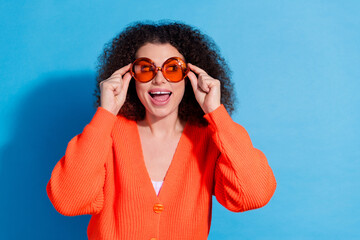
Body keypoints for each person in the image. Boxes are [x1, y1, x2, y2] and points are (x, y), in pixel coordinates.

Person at [46, 20, 277, 240]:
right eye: (146, 69)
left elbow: (253, 194)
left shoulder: (208, 137)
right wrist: (106, 114)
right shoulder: (107, 134)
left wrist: (216, 112)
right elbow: (68, 201)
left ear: (190, 76)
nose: (159, 79)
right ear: (130, 77)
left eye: (173, 69)